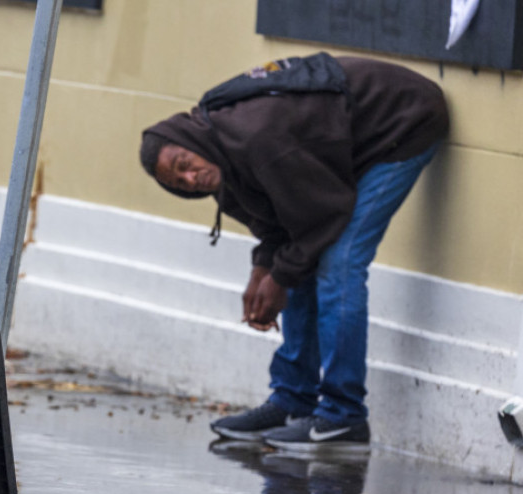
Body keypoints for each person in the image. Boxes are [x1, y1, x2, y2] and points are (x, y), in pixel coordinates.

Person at [140, 54, 449, 453]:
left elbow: (322, 217)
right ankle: (293, 402)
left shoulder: (259, 139)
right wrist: (263, 268)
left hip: (403, 119)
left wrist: (279, 277)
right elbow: (282, 225)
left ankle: (344, 416)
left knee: (338, 262)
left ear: (191, 141)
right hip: (341, 142)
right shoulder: (220, 160)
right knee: (299, 259)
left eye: (184, 164)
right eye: (179, 182)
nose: (190, 179)